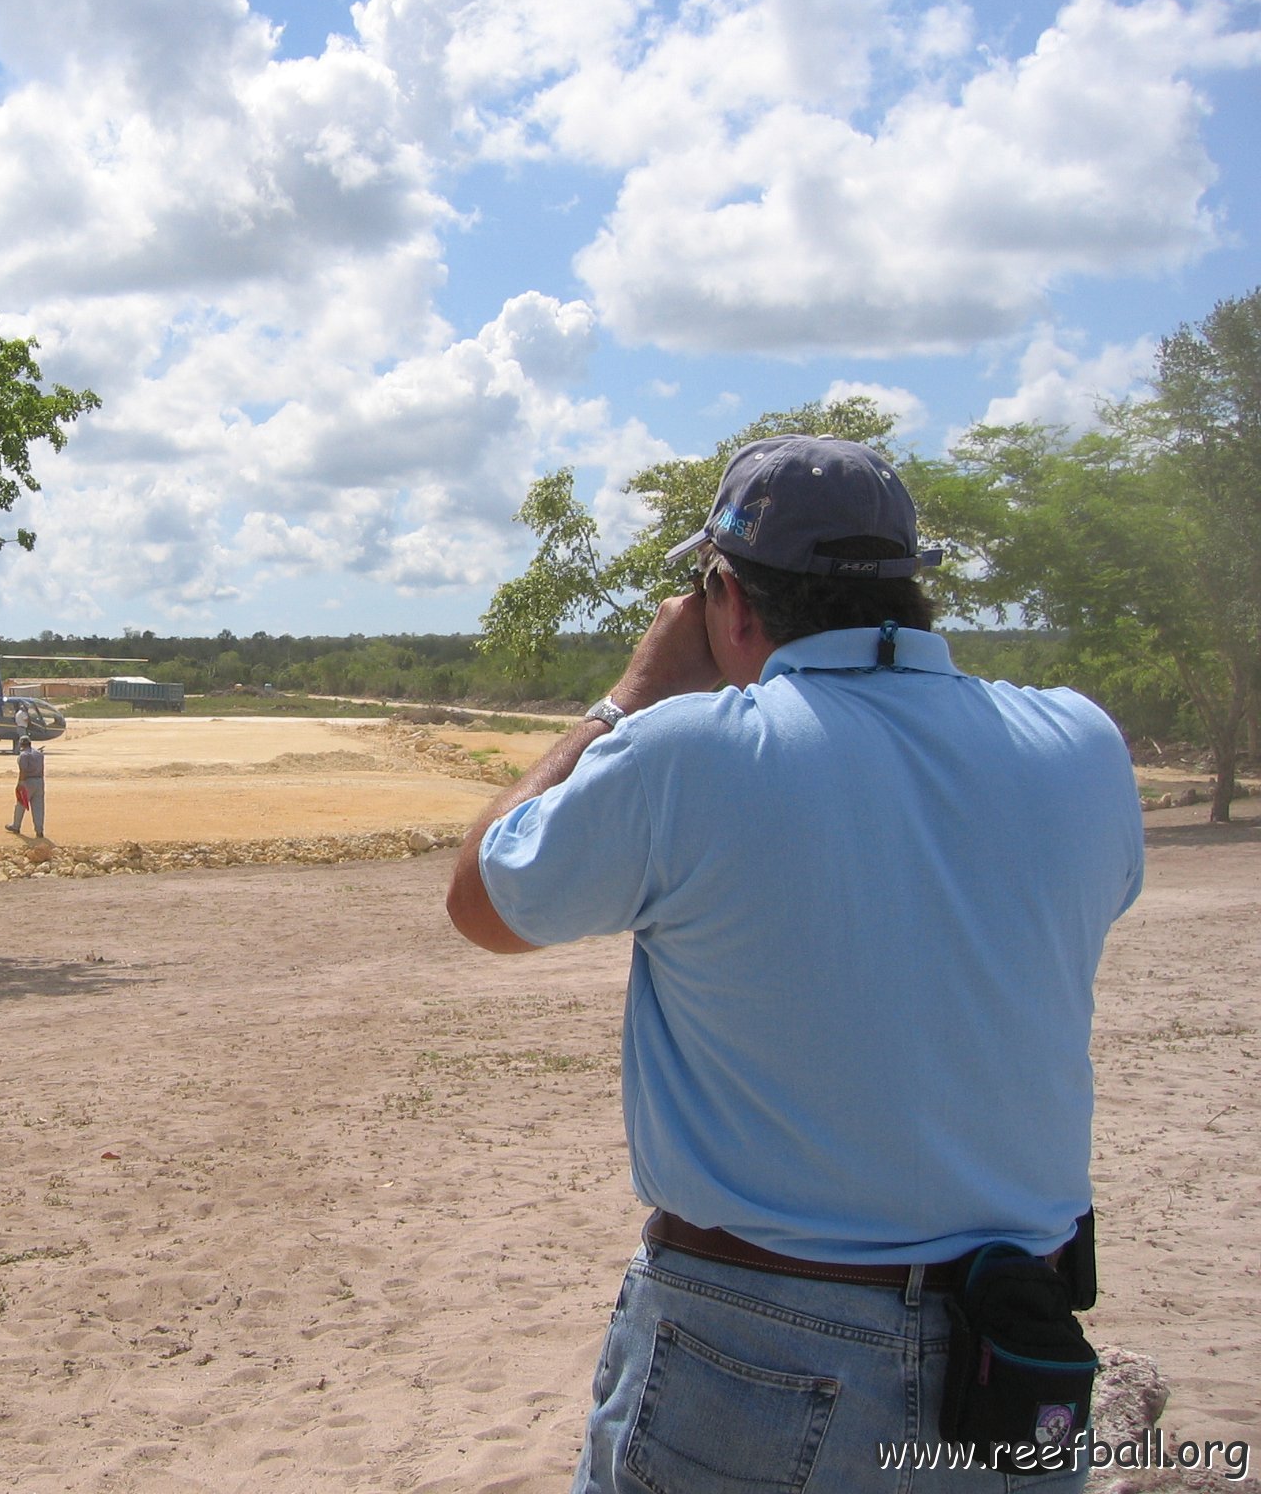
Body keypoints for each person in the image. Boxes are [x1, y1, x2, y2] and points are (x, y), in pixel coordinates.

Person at [446, 436, 1144, 1490]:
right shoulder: (1080, 744)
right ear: (909, 586)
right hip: (1015, 1354)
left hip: (758, 1350)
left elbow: (481, 902)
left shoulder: (686, 751)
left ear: (726, 596)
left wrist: (630, 692)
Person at [7, 735, 45, 838]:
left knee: (21, 804)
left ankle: (16, 826)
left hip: (27, 781)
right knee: (38, 807)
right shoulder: (39, 754)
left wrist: (20, 784)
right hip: (39, 781)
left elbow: (23, 771)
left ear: (21, 745)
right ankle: (39, 830)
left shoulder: (23, 755)